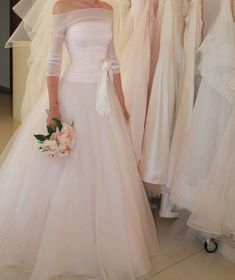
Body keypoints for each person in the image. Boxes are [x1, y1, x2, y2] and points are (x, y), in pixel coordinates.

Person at [0, 0, 160, 280]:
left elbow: (113, 60)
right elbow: (53, 60)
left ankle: (98, 239)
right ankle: (56, 238)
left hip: (102, 99)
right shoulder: (62, 6)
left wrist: (121, 102)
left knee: (103, 169)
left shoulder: (108, 8)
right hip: (71, 94)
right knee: (66, 169)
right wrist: (53, 107)